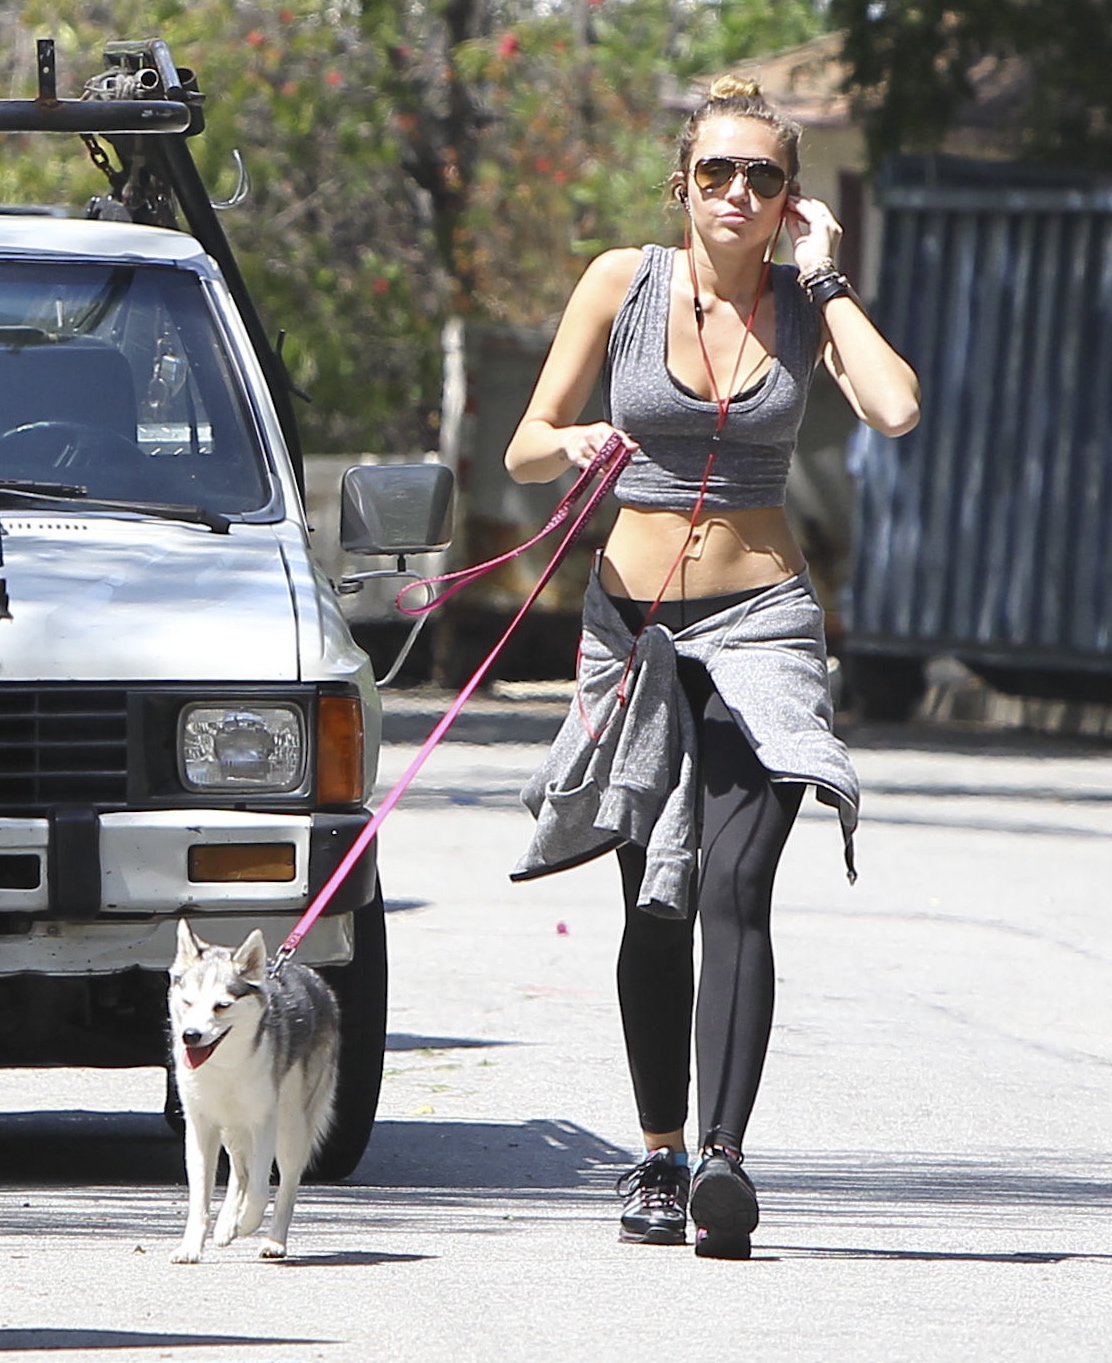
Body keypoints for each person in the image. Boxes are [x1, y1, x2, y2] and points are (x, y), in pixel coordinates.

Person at [504, 76, 920, 1259]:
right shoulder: (618, 282)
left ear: (790, 199)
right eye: (717, 171)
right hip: (633, 633)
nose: (737, 191)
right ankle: (657, 1151)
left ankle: (723, 1160)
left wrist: (826, 277)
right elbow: (523, 446)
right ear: (680, 183)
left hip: (762, 626)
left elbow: (893, 407)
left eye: (763, 176)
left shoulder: (801, 304)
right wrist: (574, 440)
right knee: (654, 894)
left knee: (737, 883)